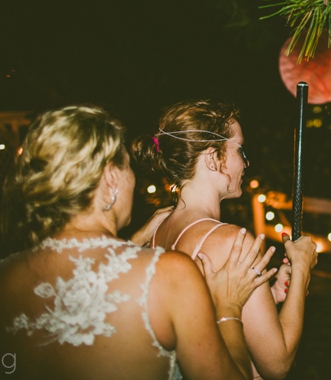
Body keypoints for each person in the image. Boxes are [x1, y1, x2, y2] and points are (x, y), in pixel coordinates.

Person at [0, 105, 277, 380]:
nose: (133, 179)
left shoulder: (7, 273)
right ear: (111, 179)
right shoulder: (169, 273)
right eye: (127, 167)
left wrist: (133, 240)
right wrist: (228, 308)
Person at [132, 100, 318, 380]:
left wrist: (270, 297)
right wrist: (302, 268)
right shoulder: (232, 242)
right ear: (212, 158)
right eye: (239, 149)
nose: (246, 162)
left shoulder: (158, 231)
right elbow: (277, 365)